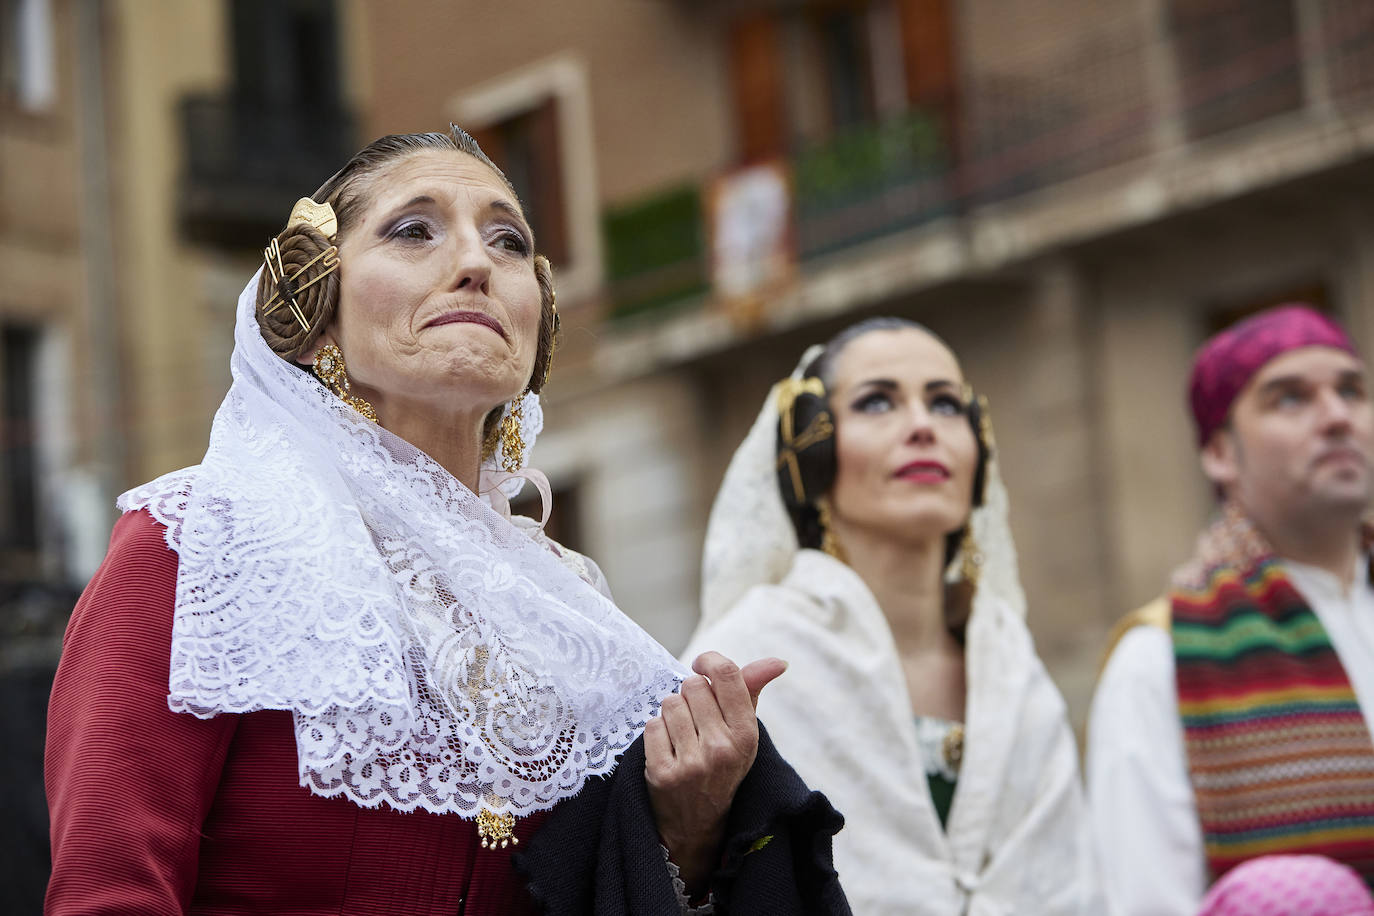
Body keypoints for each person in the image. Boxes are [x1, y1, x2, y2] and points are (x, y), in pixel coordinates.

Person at [45, 126, 849, 915]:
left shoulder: (567, 608)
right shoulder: (196, 543)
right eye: (413, 230)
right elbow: (106, 893)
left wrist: (686, 827)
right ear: (317, 305)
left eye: (508, 243)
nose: (474, 265)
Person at [682, 317, 1103, 915]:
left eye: (946, 404)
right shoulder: (746, 654)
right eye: (878, 402)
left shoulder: (1013, 666)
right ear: (812, 448)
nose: (923, 426)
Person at [1088, 304, 1374, 916]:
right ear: (1220, 452)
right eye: (1289, 399)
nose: (1337, 416)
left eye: (1351, 390)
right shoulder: (1160, 659)